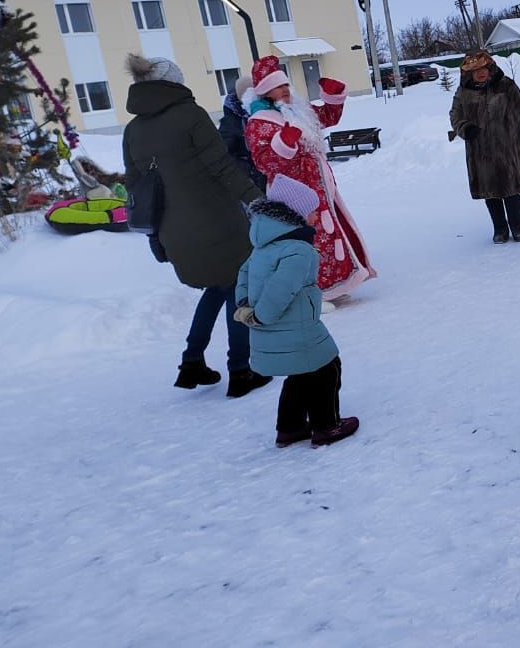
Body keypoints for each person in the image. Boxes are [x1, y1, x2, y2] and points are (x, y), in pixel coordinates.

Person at [121, 54, 272, 399]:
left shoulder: (132, 130)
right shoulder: (190, 115)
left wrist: (156, 233)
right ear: (172, 83)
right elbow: (222, 166)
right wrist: (256, 199)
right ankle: (241, 370)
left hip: (173, 229)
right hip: (216, 221)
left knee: (216, 287)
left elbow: (134, 185)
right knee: (237, 286)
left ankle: (192, 362)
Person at [234, 175, 358, 448]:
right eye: (311, 210)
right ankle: (327, 426)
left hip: (282, 328)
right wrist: (261, 316)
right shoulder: (299, 250)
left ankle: (289, 428)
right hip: (296, 326)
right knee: (327, 367)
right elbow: (281, 289)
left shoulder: (264, 244)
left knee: (301, 373)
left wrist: (244, 304)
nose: (316, 215)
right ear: (296, 214)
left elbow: (244, 274)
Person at [245, 56, 376, 302]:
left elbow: (326, 117)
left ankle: (337, 284)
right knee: (309, 240)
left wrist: (333, 98)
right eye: (278, 86)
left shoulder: (297, 109)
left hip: (320, 186)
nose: (285, 89)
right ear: (264, 91)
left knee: (331, 235)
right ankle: (314, 293)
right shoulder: (258, 122)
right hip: (295, 192)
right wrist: (284, 143)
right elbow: (264, 161)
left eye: (286, 84)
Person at [448, 50, 520, 244]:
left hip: (508, 146)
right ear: (469, 73)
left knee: (511, 189)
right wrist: (465, 128)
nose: (480, 73)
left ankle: (518, 226)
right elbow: (455, 115)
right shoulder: (464, 92)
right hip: (481, 151)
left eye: (483, 68)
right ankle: (500, 229)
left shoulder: (506, 86)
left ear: (490, 67)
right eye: (475, 70)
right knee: (490, 191)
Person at [219, 74, 265, 191]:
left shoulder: (264, 110)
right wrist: (247, 167)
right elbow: (224, 152)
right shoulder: (231, 121)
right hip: (252, 177)